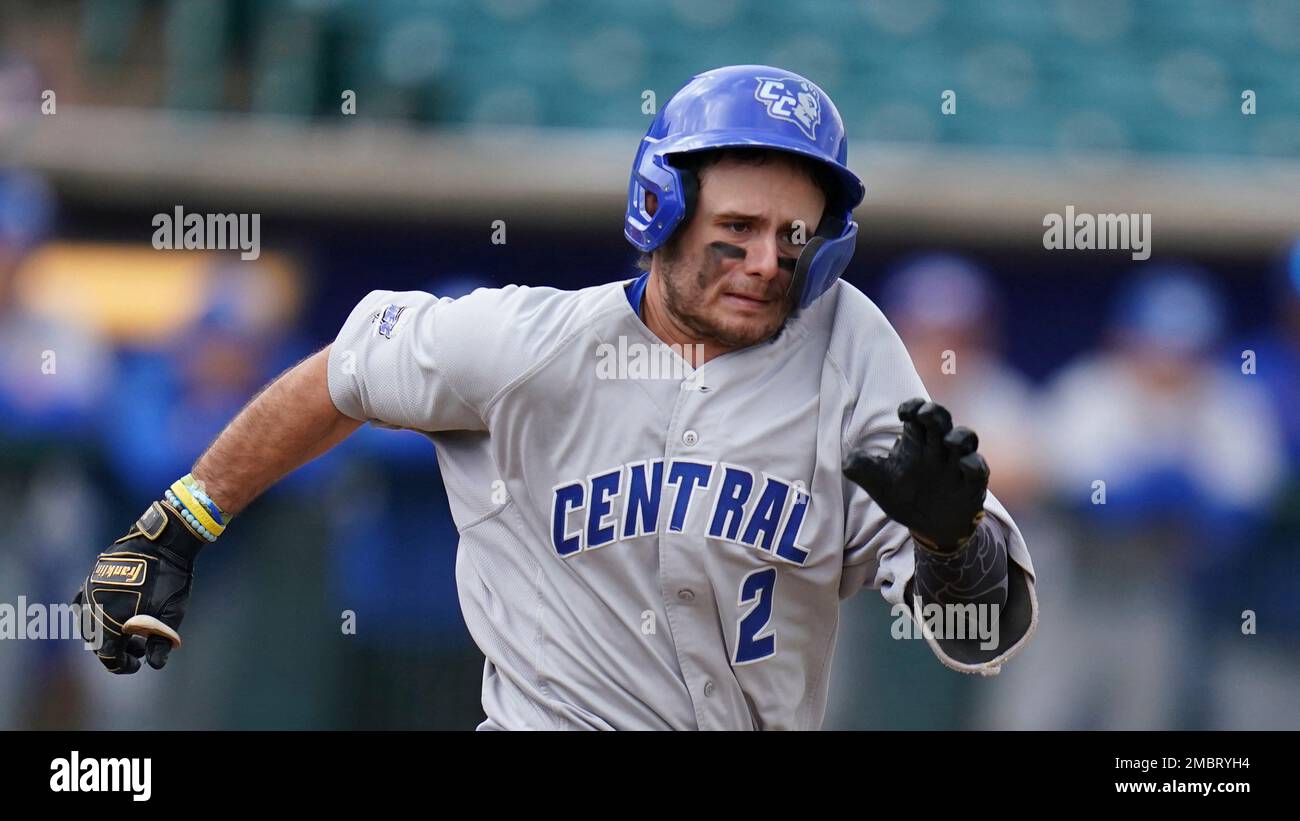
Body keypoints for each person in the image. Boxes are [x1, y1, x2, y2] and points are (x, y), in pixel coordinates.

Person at [73, 65, 1038, 730]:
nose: (764, 261)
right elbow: (342, 373)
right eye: (737, 228)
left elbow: (979, 636)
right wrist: (178, 522)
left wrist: (956, 549)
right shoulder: (530, 342)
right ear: (658, 207)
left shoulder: (848, 349)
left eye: (793, 237)